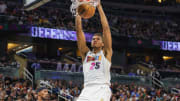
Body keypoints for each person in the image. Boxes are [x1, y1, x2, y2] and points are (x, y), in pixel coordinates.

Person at [75, 0, 113, 101]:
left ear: (103, 43)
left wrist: (99, 7)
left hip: (102, 88)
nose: (95, 40)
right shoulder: (86, 53)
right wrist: (78, 13)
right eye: (93, 39)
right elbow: (79, 32)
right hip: (87, 89)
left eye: (98, 39)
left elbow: (106, 30)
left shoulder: (106, 52)